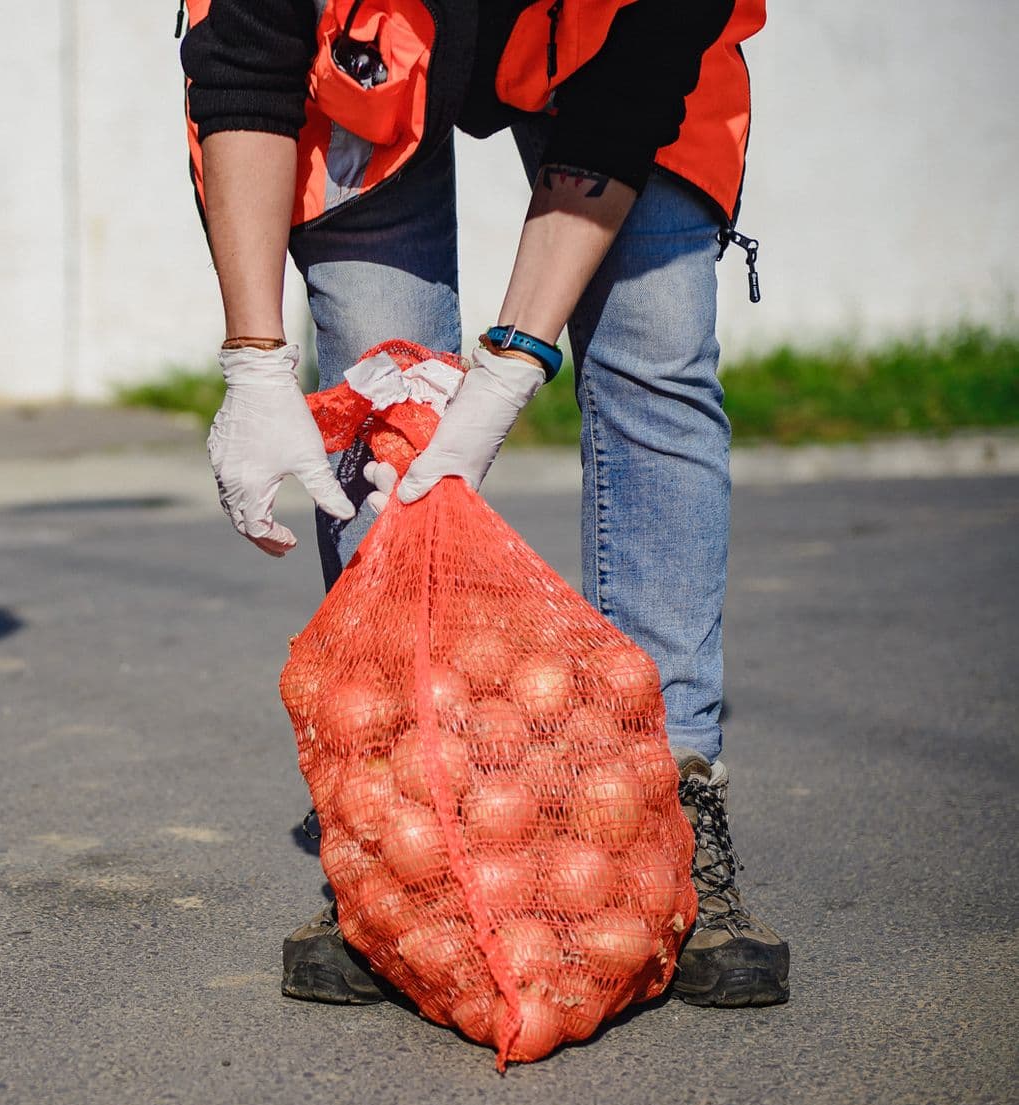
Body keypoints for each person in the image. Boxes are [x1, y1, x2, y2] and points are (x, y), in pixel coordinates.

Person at [180, 0, 788, 1008]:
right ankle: (407, 821)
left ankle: (668, 804)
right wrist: (252, 361)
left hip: (608, 42)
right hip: (372, 43)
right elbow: (244, 68)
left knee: (657, 357)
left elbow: (629, 96)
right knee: (386, 388)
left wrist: (511, 365)